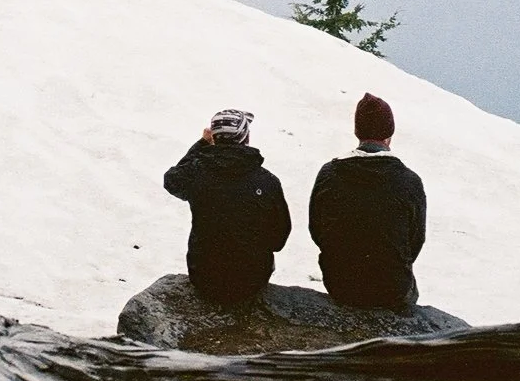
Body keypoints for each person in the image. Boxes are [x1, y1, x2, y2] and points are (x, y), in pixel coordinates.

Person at [309, 92, 427, 310]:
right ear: (389, 134)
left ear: (357, 131)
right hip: (392, 289)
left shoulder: (329, 173)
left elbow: (317, 229)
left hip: (340, 285)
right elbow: (415, 240)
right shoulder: (409, 181)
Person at [163, 108, 291, 305]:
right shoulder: (267, 181)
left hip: (203, 276)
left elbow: (171, 180)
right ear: (245, 138)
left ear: (214, 137)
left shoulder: (195, 172)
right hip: (251, 281)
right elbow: (278, 239)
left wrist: (201, 144)